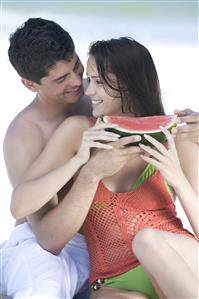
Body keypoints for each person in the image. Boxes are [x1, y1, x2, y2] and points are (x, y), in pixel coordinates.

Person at [9, 37, 199, 299]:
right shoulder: (78, 132)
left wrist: (177, 178)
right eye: (91, 78)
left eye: (98, 82)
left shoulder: (177, 137)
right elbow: (19, 205)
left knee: (146, 241)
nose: (87, 91)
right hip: (112, 280)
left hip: (179, 260)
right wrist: (84, 166)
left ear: (128, 86)